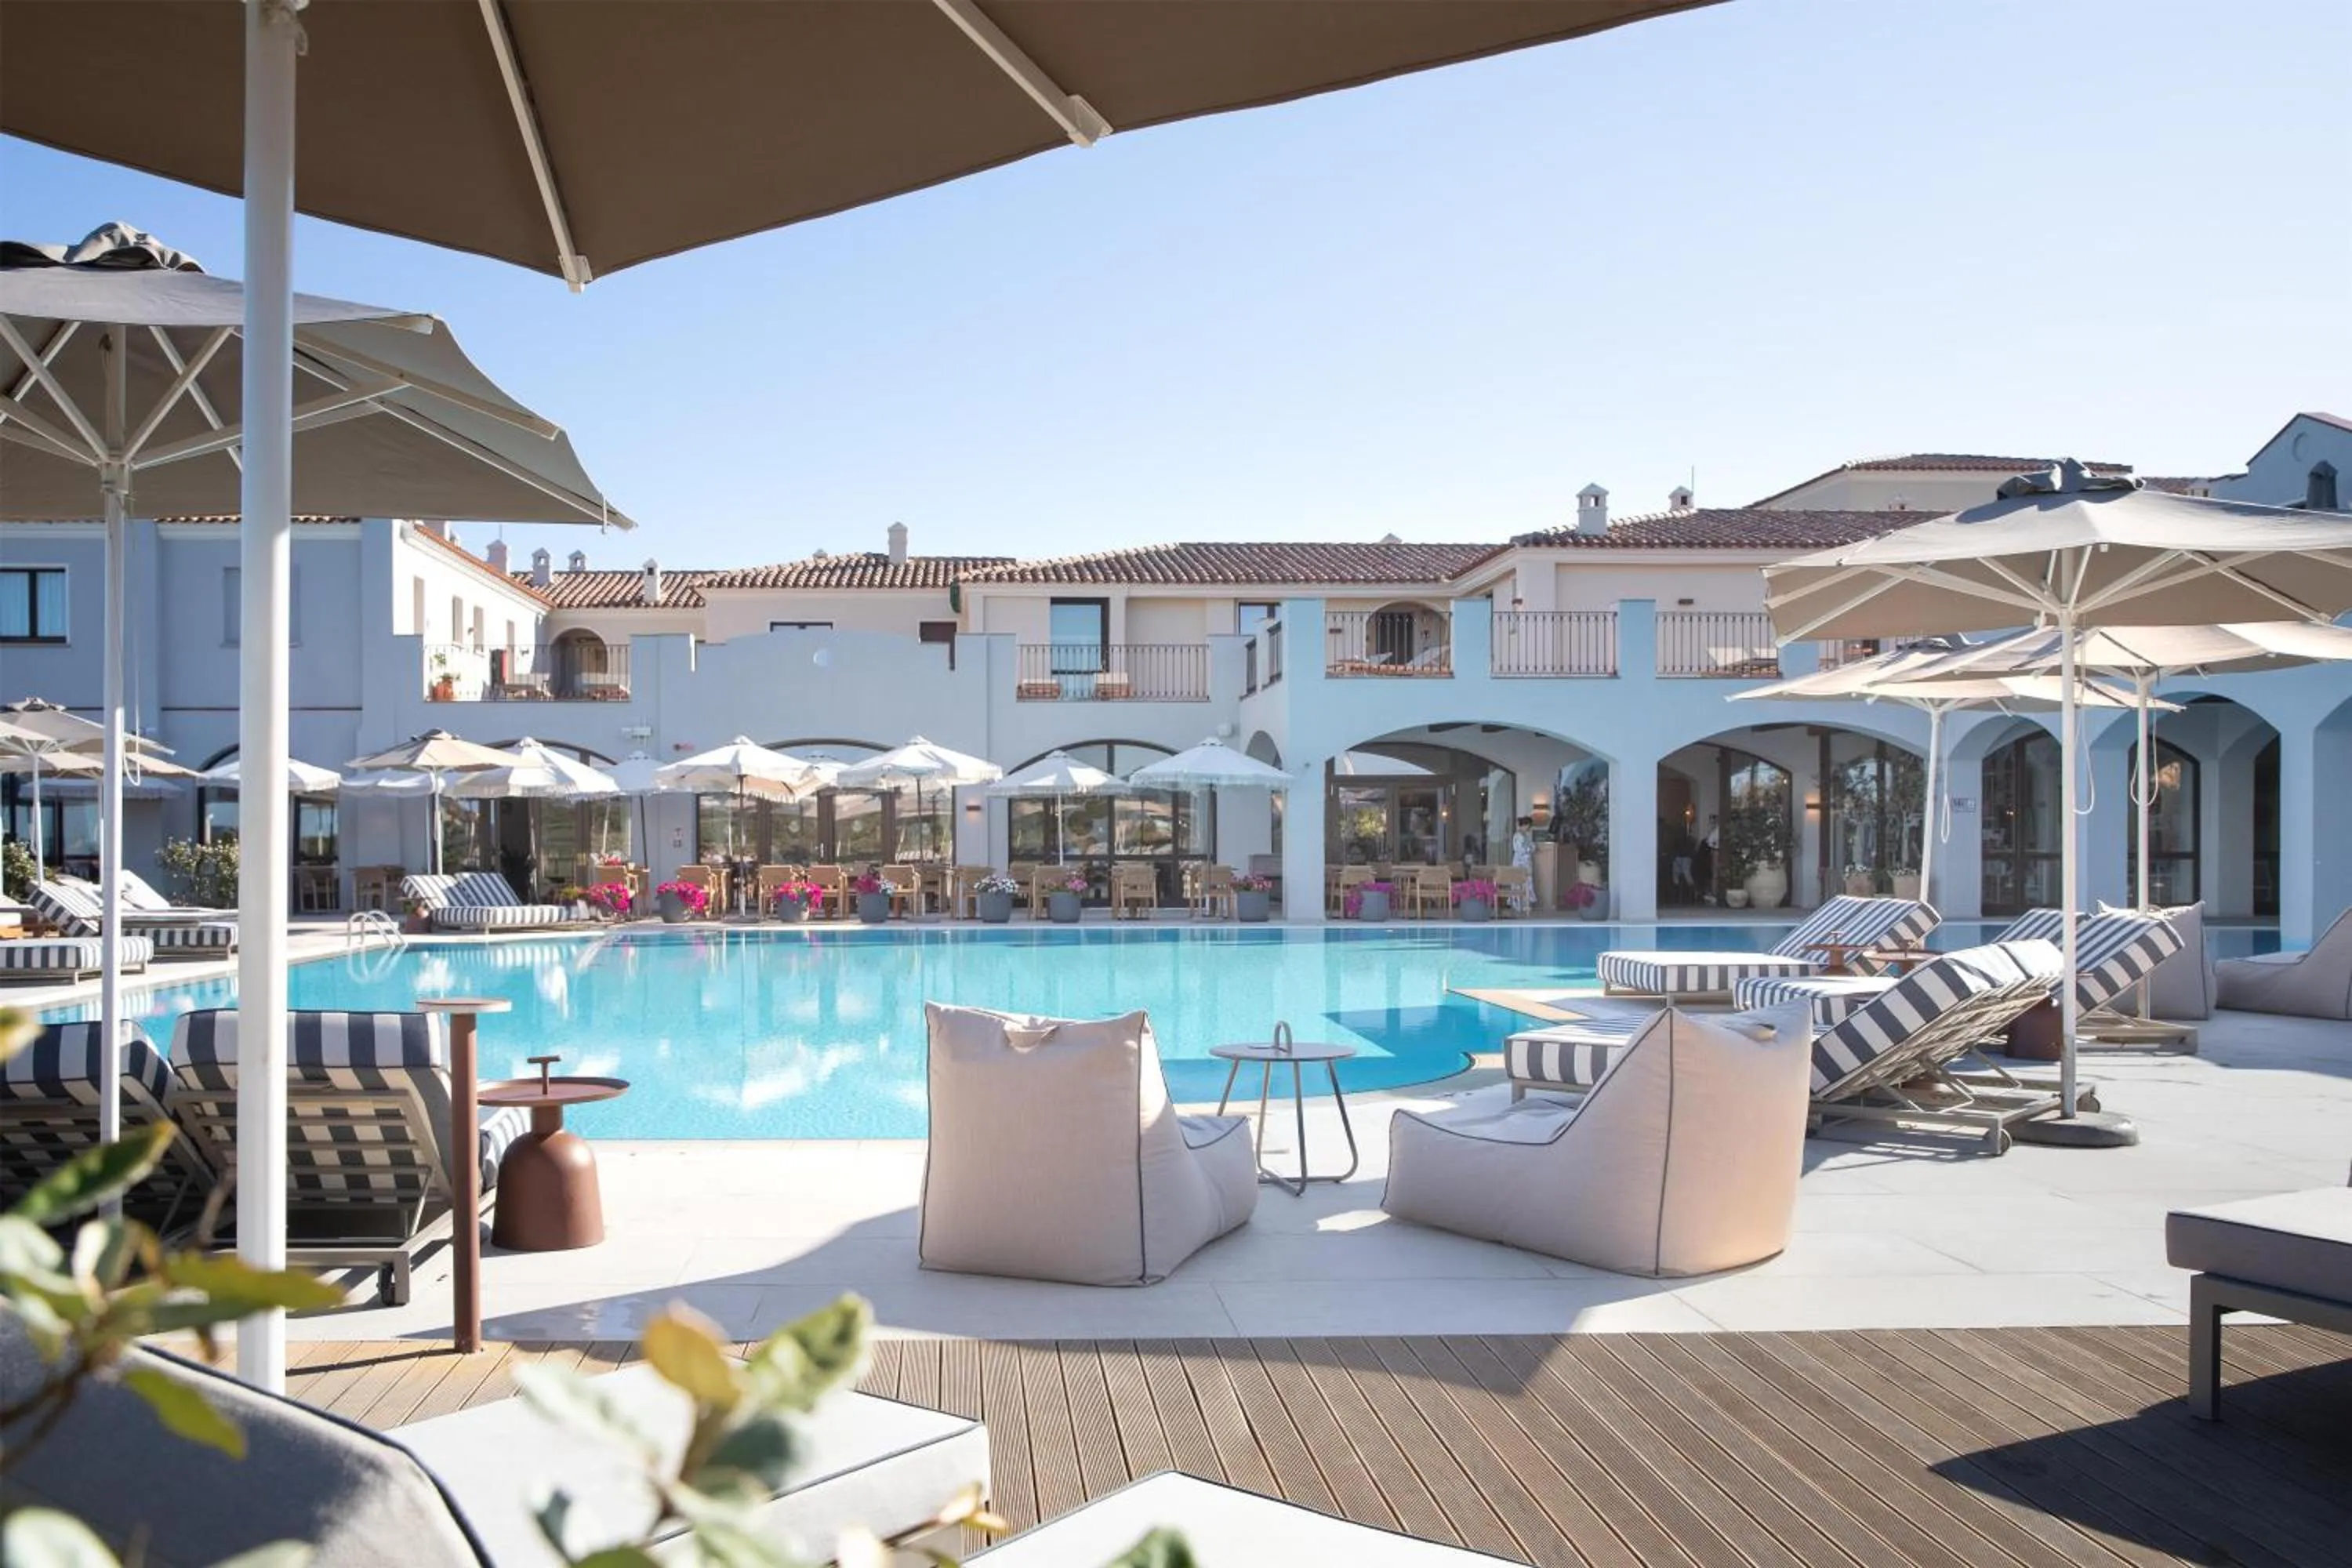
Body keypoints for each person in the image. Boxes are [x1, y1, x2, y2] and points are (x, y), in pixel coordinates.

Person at [1509, 816, 1536, 911]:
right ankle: (1518, 904)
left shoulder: (1525, 835)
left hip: (1526, 861)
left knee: (1526, 881)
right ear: (1525, 825)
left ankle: (1526, 903)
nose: (1529, 828)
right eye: (1528, 825)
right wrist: (1530, 848)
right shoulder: (1518, 836)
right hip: (1520, 861)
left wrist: (1531, 848)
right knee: (1519, 881)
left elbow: (1532, 846)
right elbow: (1522, 849)